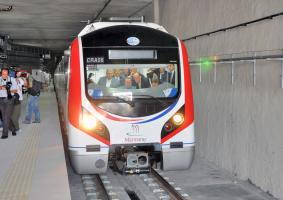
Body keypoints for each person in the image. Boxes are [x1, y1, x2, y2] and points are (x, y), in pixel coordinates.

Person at [0, 68, 18, 139]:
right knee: (4, 117)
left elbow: (15, 90)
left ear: (8, 74)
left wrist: (8, 89)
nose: (5, 75)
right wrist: (3, 87)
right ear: (1, 73)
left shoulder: (12, 80)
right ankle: (13, 128)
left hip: (9, 100)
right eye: (3, 74)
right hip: (1, 100)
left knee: (6, 117)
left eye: (6, 74)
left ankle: (5, 134)